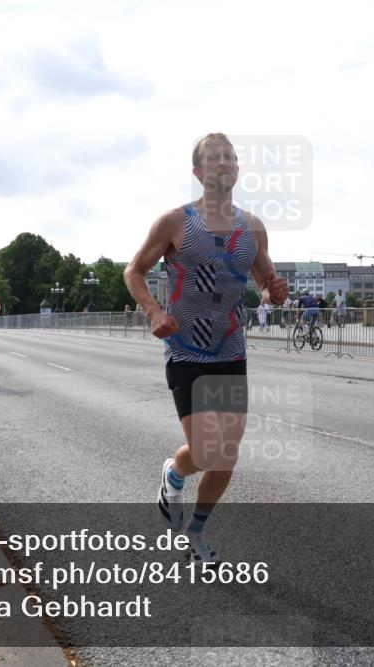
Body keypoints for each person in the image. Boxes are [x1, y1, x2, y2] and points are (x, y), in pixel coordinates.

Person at [123, 132, 288, 563]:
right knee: (206, 451)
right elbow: (133, 272)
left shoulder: (252, 227)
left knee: (226, 453)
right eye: (213, 158)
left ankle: (196, 532)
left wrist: (276, 293)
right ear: (198, 172)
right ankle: (175, 472)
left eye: (230, 157)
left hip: (230, 349)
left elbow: (265, 285)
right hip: (186, 349)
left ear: (237, 168)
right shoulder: (176, 223)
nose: (223, 163)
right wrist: (154, 312)